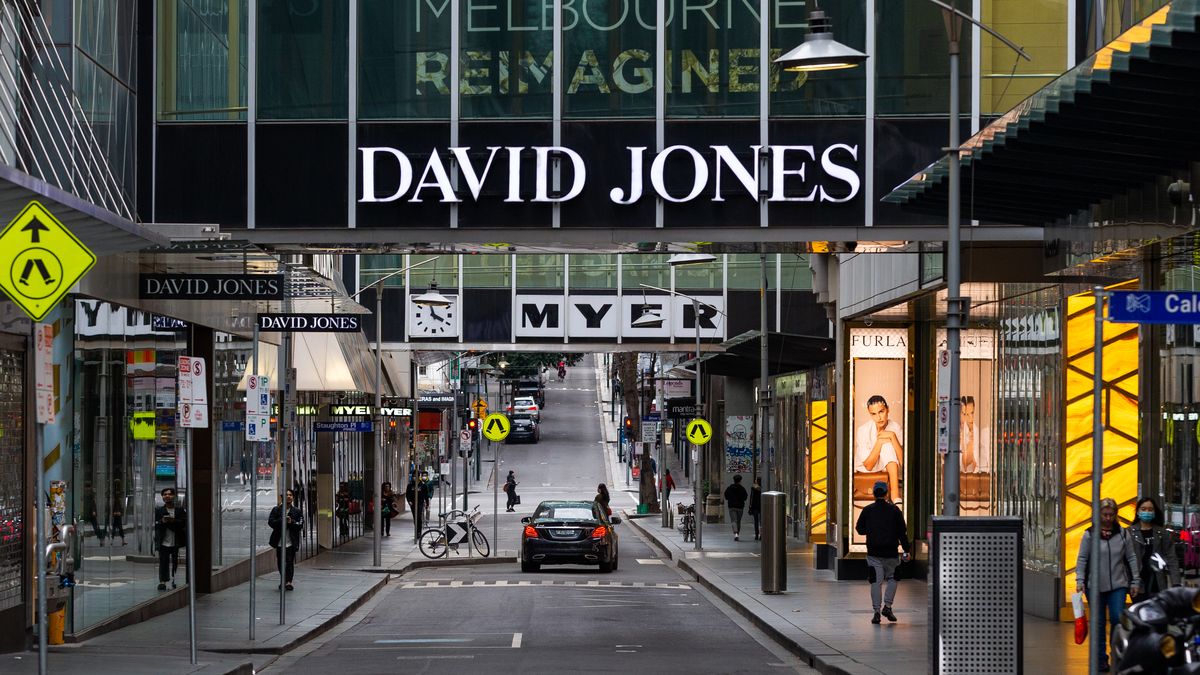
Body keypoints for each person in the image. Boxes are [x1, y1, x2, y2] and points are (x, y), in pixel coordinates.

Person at [1076, 497, 1142, 671]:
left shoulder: (1122, 533)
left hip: (1118, 584)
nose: (1108, 518)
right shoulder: (1089, 534)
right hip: (1094, 586)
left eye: (1111, 515)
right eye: (1105, 514)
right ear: (1098, 515)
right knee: (1097, 623)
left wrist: (1135, 580)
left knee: (1116, 617)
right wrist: (1080, 580)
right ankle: (1100, 659)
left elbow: (1131, 557)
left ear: (1116, 515)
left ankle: (1116, 654)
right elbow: (1082, 558)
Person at [855, 480, 912, 625]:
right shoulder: (895, 511)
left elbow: (859, 529)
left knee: (876, 582)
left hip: (873, 553)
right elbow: (902, 532)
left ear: (874, 494)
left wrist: (872, 530)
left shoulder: (867, 510)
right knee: (893, 578)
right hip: (891, 553)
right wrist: (907, 550)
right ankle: (887, 606)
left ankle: (876, 612)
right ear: (886, 493)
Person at [854, 395, 903, 502]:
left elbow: (903, 462)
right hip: (866, 468)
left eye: (881, 412)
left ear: (888, 410)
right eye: (873, 414)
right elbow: (869, 466)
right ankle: (896, 497)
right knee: (886, 445)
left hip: (887, 467)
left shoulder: (895, 427)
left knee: (888, 446)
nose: (878, 417)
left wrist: (893, 437)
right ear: (869, 414)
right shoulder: (863, 430)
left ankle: (895, 495)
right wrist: (879, 442)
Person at [1130, 496, 1180, 595]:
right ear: (1137, 512)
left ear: (1154, 512)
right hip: (1137, 582)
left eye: (1150, 509)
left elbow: (1171, 558)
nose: (1147, 512)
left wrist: (1176, 582)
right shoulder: (1129, 532)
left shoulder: (1162, 533)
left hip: (1157, 580)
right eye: (1143, 509)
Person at [269, 489, 304, 591]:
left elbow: (300, 525)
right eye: (286, 495)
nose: (288, 497)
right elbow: (271, 522)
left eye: (290, 495)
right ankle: (284, 580)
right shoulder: (276, 510)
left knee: (289, 562)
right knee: (280, 563)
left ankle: (288, 582)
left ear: (293, 497)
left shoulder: (297, 511)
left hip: (291, 543)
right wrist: (282, 520)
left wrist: (291, 522)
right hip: (279, 542)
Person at [154, 487, 187, 591]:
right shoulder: (159, 510)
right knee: (163, 561)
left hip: (176, 541)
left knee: (175, 561)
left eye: (169, 494)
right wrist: (162, 521)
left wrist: (173, 521)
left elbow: (184, 522)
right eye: (164, 494)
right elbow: (155, 525)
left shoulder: (180, 510)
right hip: (163, 541)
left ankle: (174, 579)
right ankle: (162, 582)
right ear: (162, 497)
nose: (167, 496)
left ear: (174, 496)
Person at [724, 475, 748, 541]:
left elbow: (726, 496)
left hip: (732, 506)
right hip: (740, 507)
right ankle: (738, 533)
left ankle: (735, 533)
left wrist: (731, 499)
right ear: (740, 480)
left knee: (734, 520)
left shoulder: (729, 488)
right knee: (738, 521)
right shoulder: (742, 489)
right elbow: (745, 497)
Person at [83, 481, 104, 546]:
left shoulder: (90, 494)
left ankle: (101, 538)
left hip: (89, 513)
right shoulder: (88, 494)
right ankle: (101, 538)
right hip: (87, 512)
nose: (87, 489)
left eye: (88, 487)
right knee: (95, 526)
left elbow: (92, 504)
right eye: (87, 487)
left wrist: (94, 511)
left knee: (95, 527)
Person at [110, 479, 127, 546]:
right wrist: (117, 512)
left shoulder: (117, 494)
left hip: (117, 513)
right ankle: (121, 541)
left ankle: (114, 541)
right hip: (117, 514)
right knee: (119, 528)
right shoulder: (117, 495)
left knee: (117, 527)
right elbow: (117, 505)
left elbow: (118, 505)